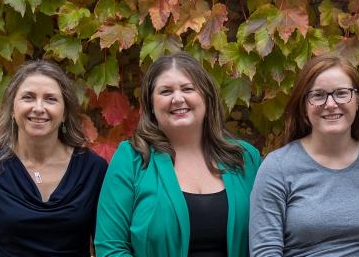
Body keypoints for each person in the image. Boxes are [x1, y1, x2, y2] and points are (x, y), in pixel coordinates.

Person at [95, 52, 263, 257]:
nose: (177, 98)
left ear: (206, 97)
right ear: (151, 104)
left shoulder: (244, 157)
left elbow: (269, 237)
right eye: (165, 91)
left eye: (188, 88)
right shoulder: (132, 159)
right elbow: (110, 247)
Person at [249, 54, 359, 256]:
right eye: (318, 95)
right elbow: (265, 251)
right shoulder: (277, 167)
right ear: (303, 106)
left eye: (342, 93)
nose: (331, 104)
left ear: (358, 100)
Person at [0, 60, 108, 256]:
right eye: (28, 97)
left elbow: (107, 248)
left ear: (65, 112)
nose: (39, 108)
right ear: (12, 110)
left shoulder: (94, 170)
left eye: (50, 99)